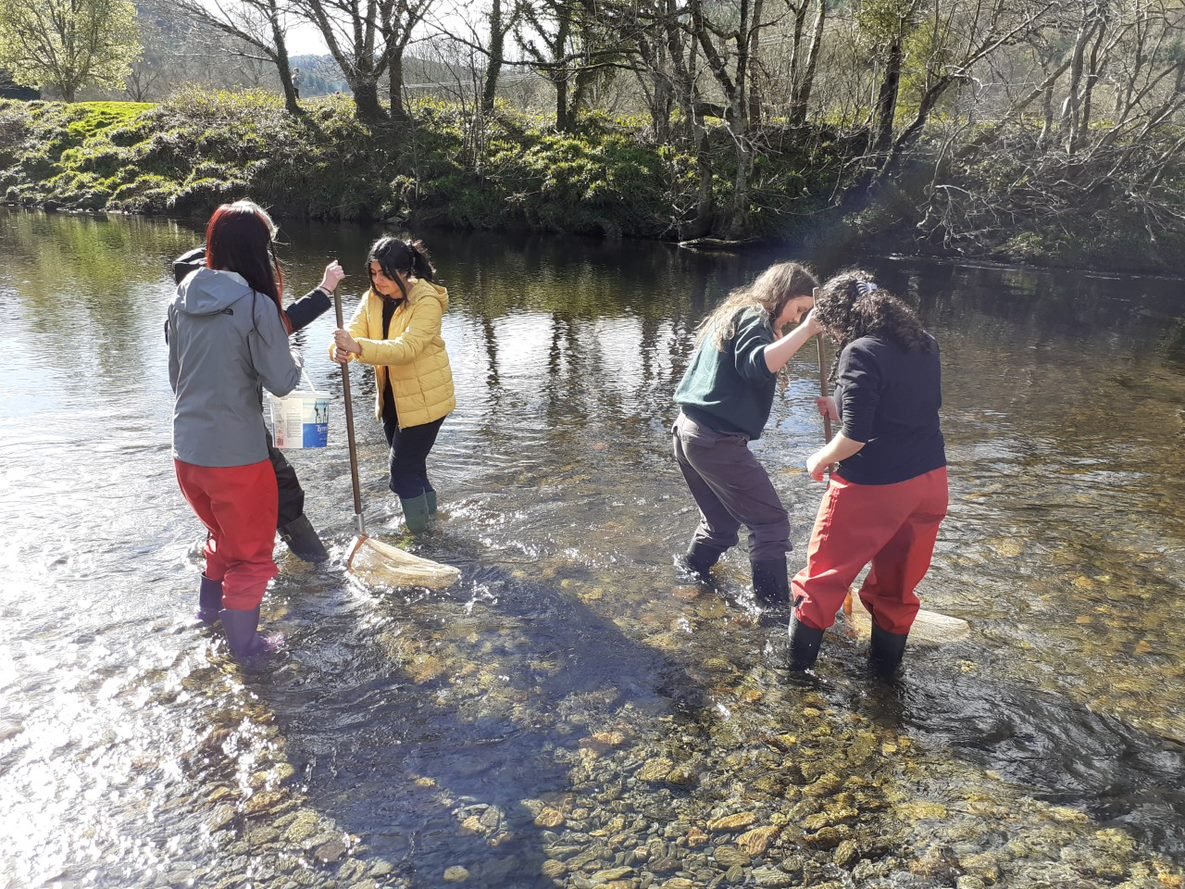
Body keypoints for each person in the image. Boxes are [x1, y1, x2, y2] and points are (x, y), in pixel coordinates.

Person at [788, 270, 948, 677]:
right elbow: (904, 407)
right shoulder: (924, 344)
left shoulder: (859, 351)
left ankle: (794, 680)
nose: (835, 334)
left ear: (843, 317)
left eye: (834, 324)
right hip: (930, 482)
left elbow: (856, 438)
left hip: (874, 487)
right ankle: (884, 681)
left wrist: (820, 458)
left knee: (821, 582)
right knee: (896, 589)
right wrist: (839, 403)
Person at [167, 200, 305, 665]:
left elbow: (175, 379)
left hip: (187, 453)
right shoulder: (253, 304)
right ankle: (246, 648)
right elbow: (283, 382)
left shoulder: (181, 296)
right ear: (259, 251)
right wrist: (293, 354)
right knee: (251, 556)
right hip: (238, 459)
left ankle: (208, 617)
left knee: (221, 539)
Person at [172, 245, 344, 562]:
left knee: (223, 513)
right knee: (281, 490)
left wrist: (323, 290)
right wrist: (293, 356)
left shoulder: (183, 314)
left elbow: (176, 381)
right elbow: (281, 351)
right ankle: (315, 561)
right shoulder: (242, 308)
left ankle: (217, 581)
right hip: (238, 435)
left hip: (190, 441)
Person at [672, 261, 821, 608]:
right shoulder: (755, 316)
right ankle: (773, 614)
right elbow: (756, 366)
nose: (798, 319)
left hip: (689, 431)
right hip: (714, 439)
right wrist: (808, 331)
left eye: (806, 315)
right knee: (771, 524)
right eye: (800, 309)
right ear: (782, 295)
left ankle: (688, 578)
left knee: (722, 526)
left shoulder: (740, 313)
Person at [331, 237, 455, 532]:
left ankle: (418, 537)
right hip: (391, 402)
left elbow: (406, 349)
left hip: (426, 402)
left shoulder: (427, 301)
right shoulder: (372, 298)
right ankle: (430, 526)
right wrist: (340, 349)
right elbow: (352, 332)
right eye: (373, 273)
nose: (378, 281)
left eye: (385, 274)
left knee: (400, 475)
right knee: (414, 469)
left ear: (405, 271)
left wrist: (358, 347)